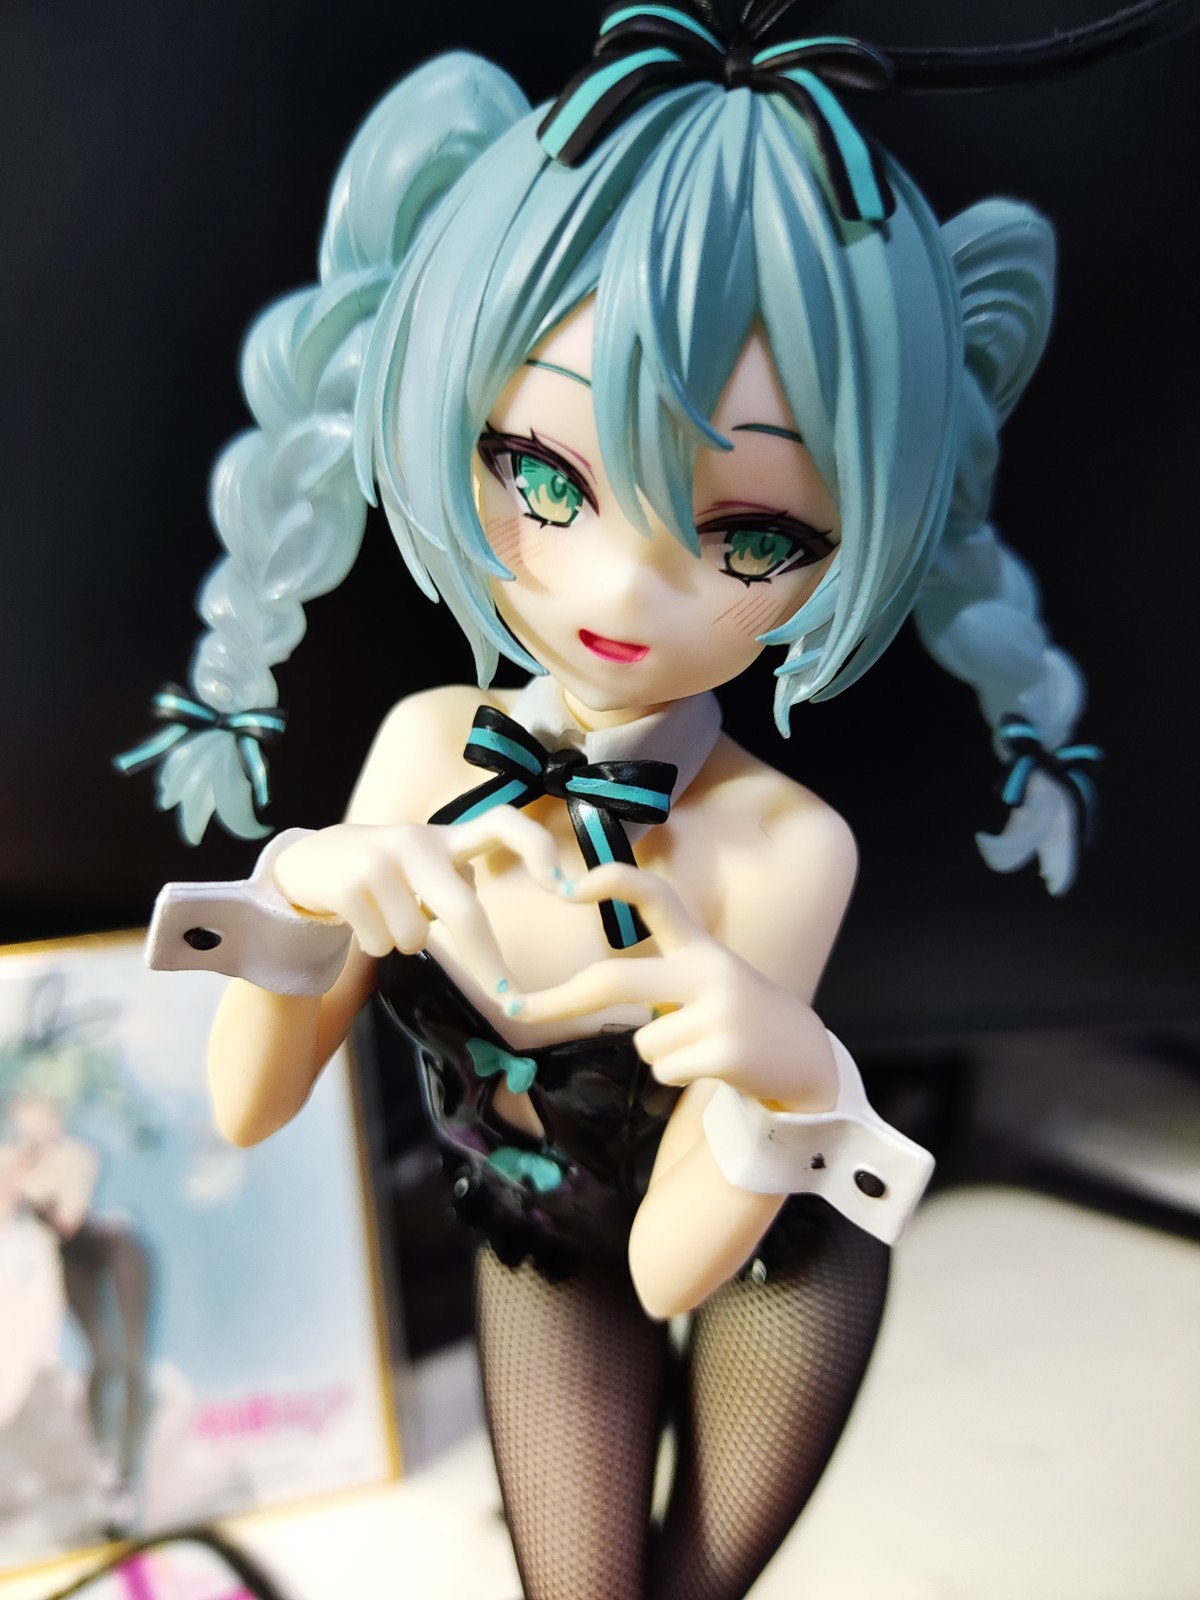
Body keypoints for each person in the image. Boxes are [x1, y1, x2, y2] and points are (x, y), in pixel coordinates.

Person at [118, 4, 1131, 1594]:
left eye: (750, 536)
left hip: (765, 1249)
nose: (614, 590)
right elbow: (250, 1108)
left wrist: (781, 1068)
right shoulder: (424, 749)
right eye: (544, 476)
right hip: (535, 1234)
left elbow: (673, 1267)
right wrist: (300, 887)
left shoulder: (782, 848)